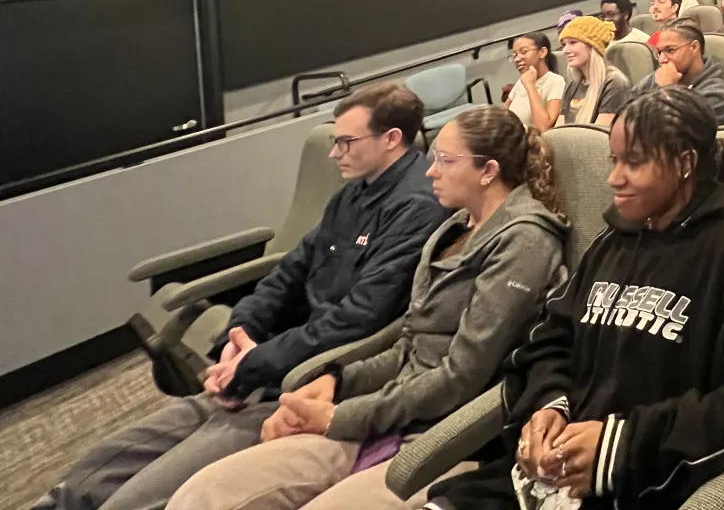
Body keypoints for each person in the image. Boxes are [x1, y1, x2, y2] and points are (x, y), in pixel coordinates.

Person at [33, 86, 448, 510]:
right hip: (264, 366)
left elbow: (358, 321)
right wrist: (241, 329)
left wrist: (252, 363)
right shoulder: (353, 192)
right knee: (98, 468)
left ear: (392, 139)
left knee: (134, 499)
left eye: (346, 141)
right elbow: (290, 270)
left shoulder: (416, 207)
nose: (333, 153)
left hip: (302, 382)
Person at [422, 88, 724, 510]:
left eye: (634, 162)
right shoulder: (613, 240)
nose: (613, 178)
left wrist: (621, 447)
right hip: (552, 475)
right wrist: (548, 407)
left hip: (647, 480)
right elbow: (549, 341)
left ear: (685, 165)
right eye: (614, 160)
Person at [165, 109, 570, 510]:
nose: (431, 172)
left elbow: (460, 378)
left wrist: (339, 416)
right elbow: (408, 346)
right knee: (203, 495)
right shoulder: (455, 229)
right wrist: (338, 382)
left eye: (446, 161)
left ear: (489, 171)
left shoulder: (524, 242)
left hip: (442, 433)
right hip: (385, 409)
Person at [633, 19, 724, 125]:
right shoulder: (658, 77)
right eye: (659, 52)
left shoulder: (716, 94)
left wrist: (666, 90)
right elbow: (627, 112)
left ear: (694, 47)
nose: (662, 60)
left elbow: (676, 133)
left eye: (670, 50)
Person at [556, 16, 629, 128]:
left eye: (573, 42)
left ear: (593, 46)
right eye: (564, 44)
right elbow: (558, 129)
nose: (565, 51)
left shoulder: (614, 83)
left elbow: (596, 137)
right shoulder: (573, 84)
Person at [506, 33, 565, 131]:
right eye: (515, 55)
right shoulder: (521, 81)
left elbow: (543, 127)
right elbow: (503, 112)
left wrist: (530, 86)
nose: (517, 59)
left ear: (542, 52)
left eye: (524, 52)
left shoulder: (555, 82)